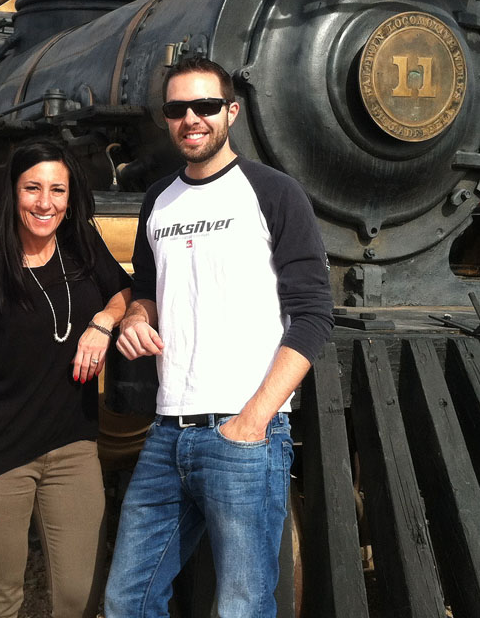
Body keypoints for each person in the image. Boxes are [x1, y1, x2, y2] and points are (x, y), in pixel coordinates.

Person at [105, 57, 333, 618]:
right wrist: (135, 319)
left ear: (230, 112)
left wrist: (254, 420)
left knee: (242, 607)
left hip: (244, 433)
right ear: (166, 118)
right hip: (167, 433)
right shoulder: (158, 200)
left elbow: (313, 315)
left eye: (205, 106)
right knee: (128, 600)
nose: (192, 119)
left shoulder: (273, 192)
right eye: (177, 108)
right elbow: (147, 291)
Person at [0, 139, 131, 618]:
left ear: (70, 197)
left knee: (79, 597)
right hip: (2, 456)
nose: (45, 203)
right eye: (32, 188)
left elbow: (124, 293)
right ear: (13, 192)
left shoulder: (82, 251)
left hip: (74, 450)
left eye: (57, 190)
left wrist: (103, 323)